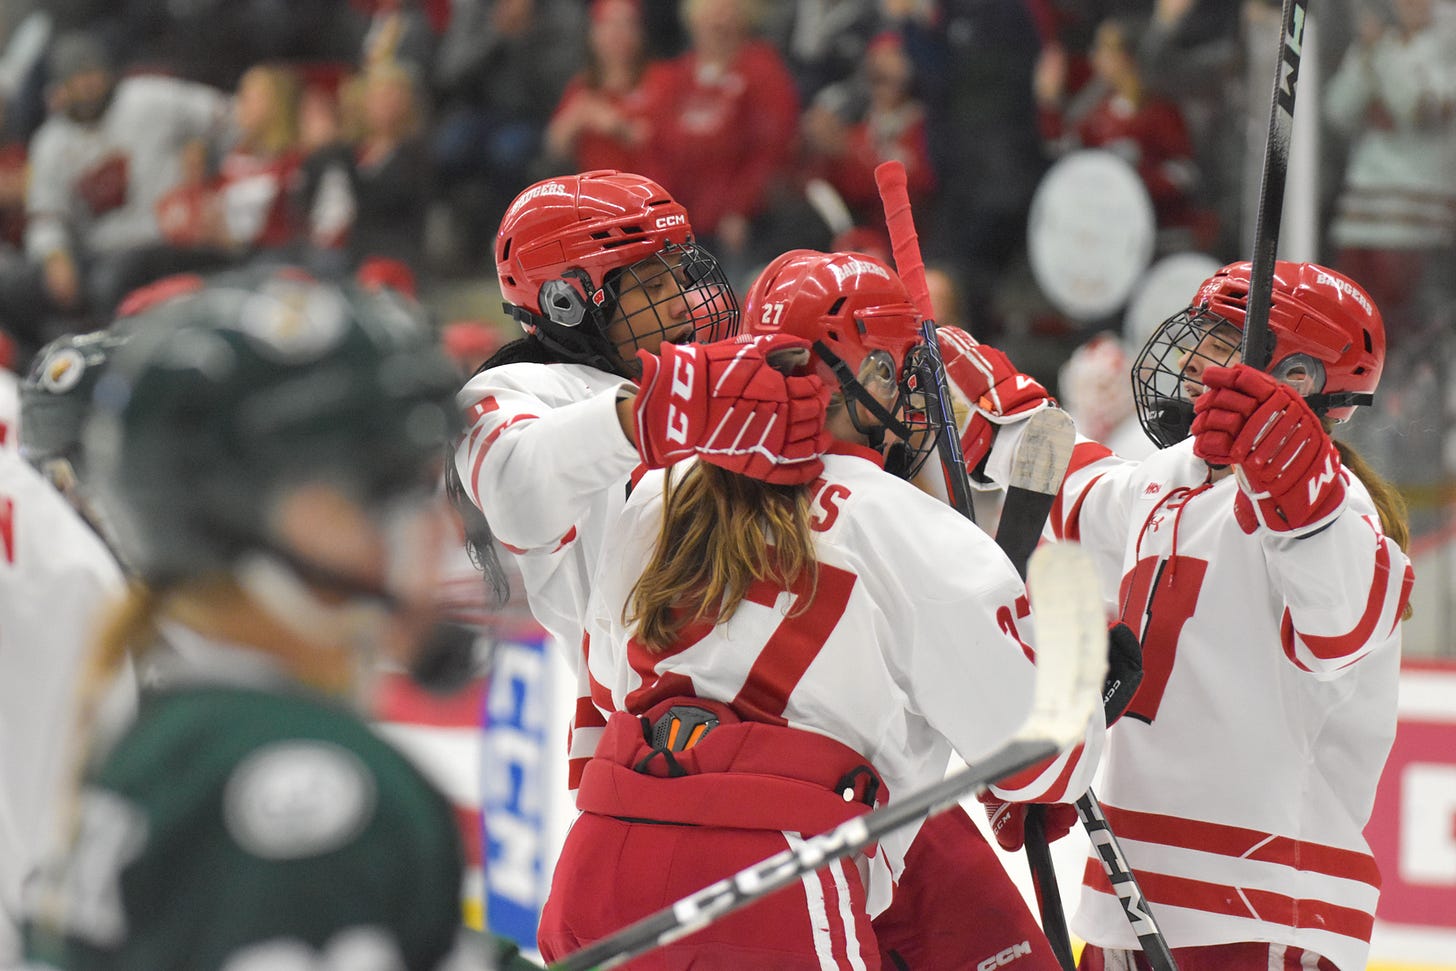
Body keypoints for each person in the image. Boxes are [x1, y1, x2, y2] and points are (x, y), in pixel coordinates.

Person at [538, 249, 1103, 968]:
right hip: (770, 877)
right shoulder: (912, 530)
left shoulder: (662, 486)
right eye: (899, 370)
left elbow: (608, 689)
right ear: (866, 376)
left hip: (598, 863)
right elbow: (1045, 766)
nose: (913, 396)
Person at [19, 273, 534, 970]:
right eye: (389, 485)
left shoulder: (157, 740)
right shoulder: (302, 782)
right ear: (286, 515)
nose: (435, 522)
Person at [940, 261, 1412, 971]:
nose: (1192, 358)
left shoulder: (1333, 509)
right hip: (1124, 902)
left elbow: (1341, 623)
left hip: (1266, 908)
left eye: (1221, 343)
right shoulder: (1169, 480)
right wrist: (1006, 424)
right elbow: (1077, 491)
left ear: (1300, 379)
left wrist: (1296, 479)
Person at [453, 169, 825, 795]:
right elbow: (516, 489)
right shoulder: (517, 394)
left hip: (807, 722)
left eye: (678, 275)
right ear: (565, 303)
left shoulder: (715, 378)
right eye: (651, 283)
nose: (682, 300)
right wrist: (655, 412)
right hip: (656, 758)